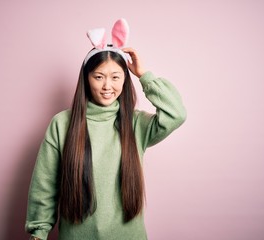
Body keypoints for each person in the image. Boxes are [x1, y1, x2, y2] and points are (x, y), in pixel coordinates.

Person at [25, 19, 186, 240]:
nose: (107, 86)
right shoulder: (62, 124)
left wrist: (143, 75)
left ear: (124, 80)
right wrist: (38, 232)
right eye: (99, 77)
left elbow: (176, 114)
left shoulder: (135, 124)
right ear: (86, 79)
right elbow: (45, 185)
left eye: (115, 77)